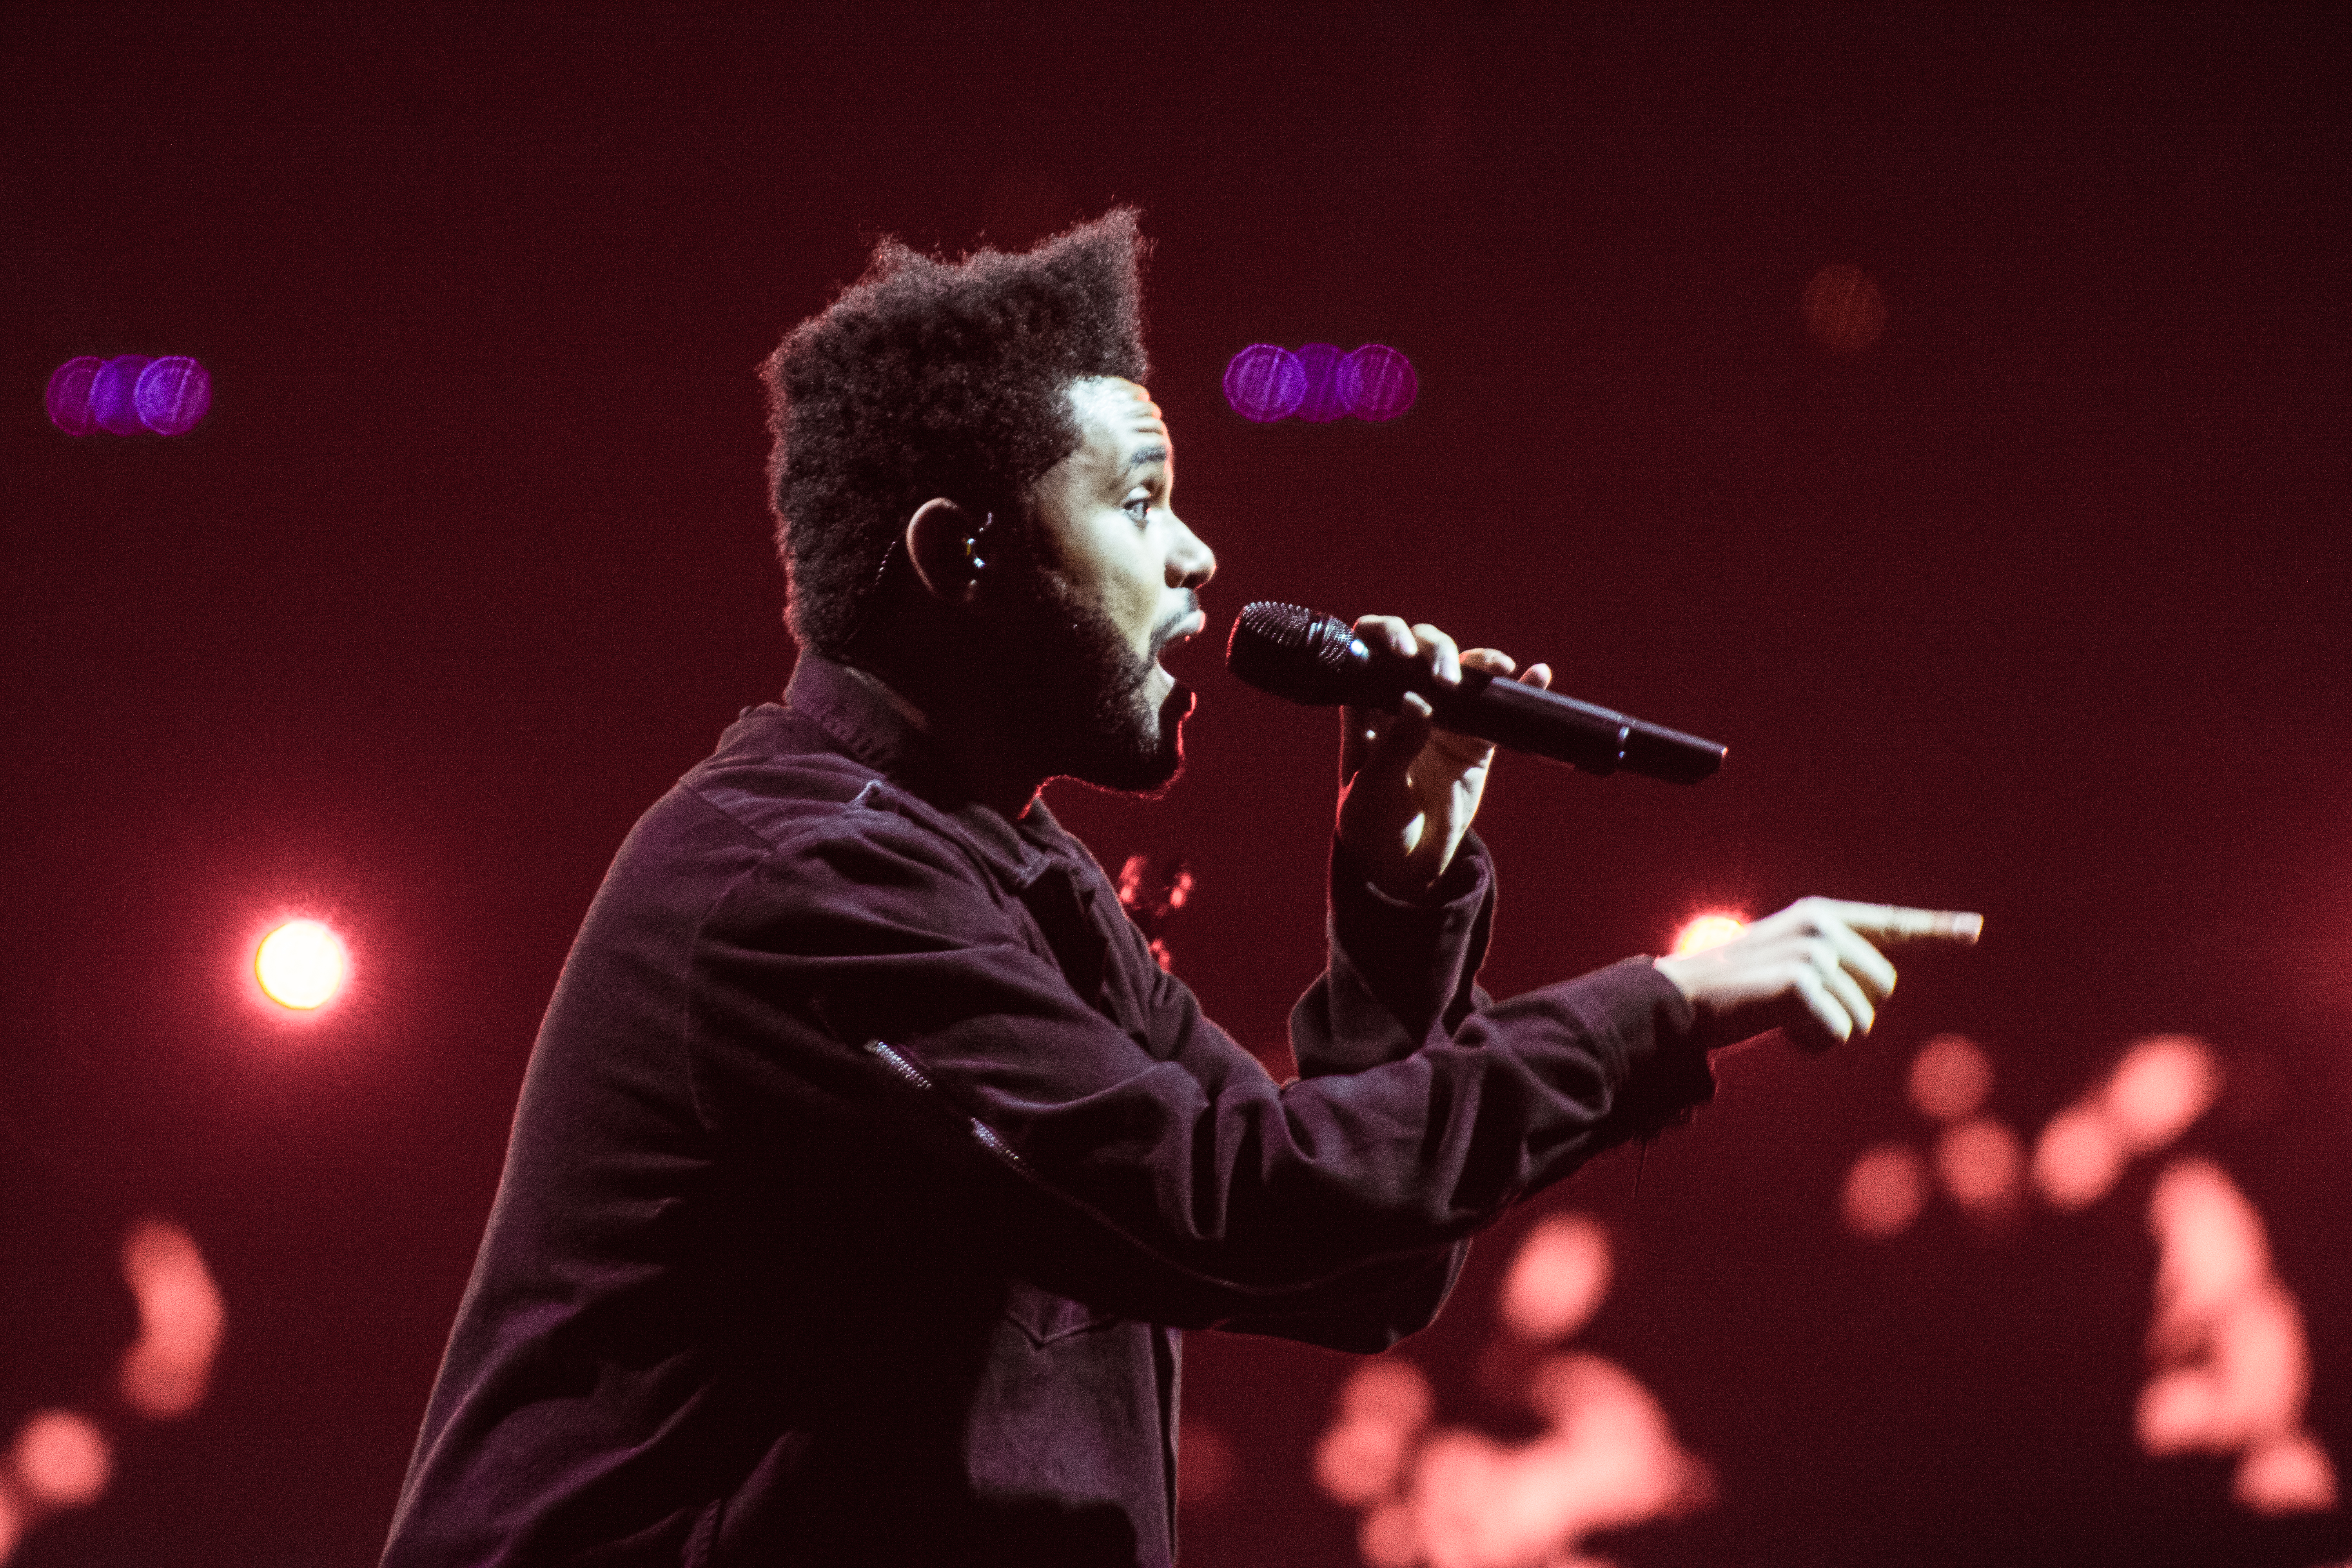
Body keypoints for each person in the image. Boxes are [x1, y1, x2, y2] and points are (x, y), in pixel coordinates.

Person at [379, 211, 1977, 1568]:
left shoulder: (1004, 869)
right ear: (964, 558)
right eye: (1140, 502)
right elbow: (1228, 1195)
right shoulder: (797, 882)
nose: (1203, 555)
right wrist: (1658, 1012)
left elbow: (1351, 1263)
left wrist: (1398, 898)